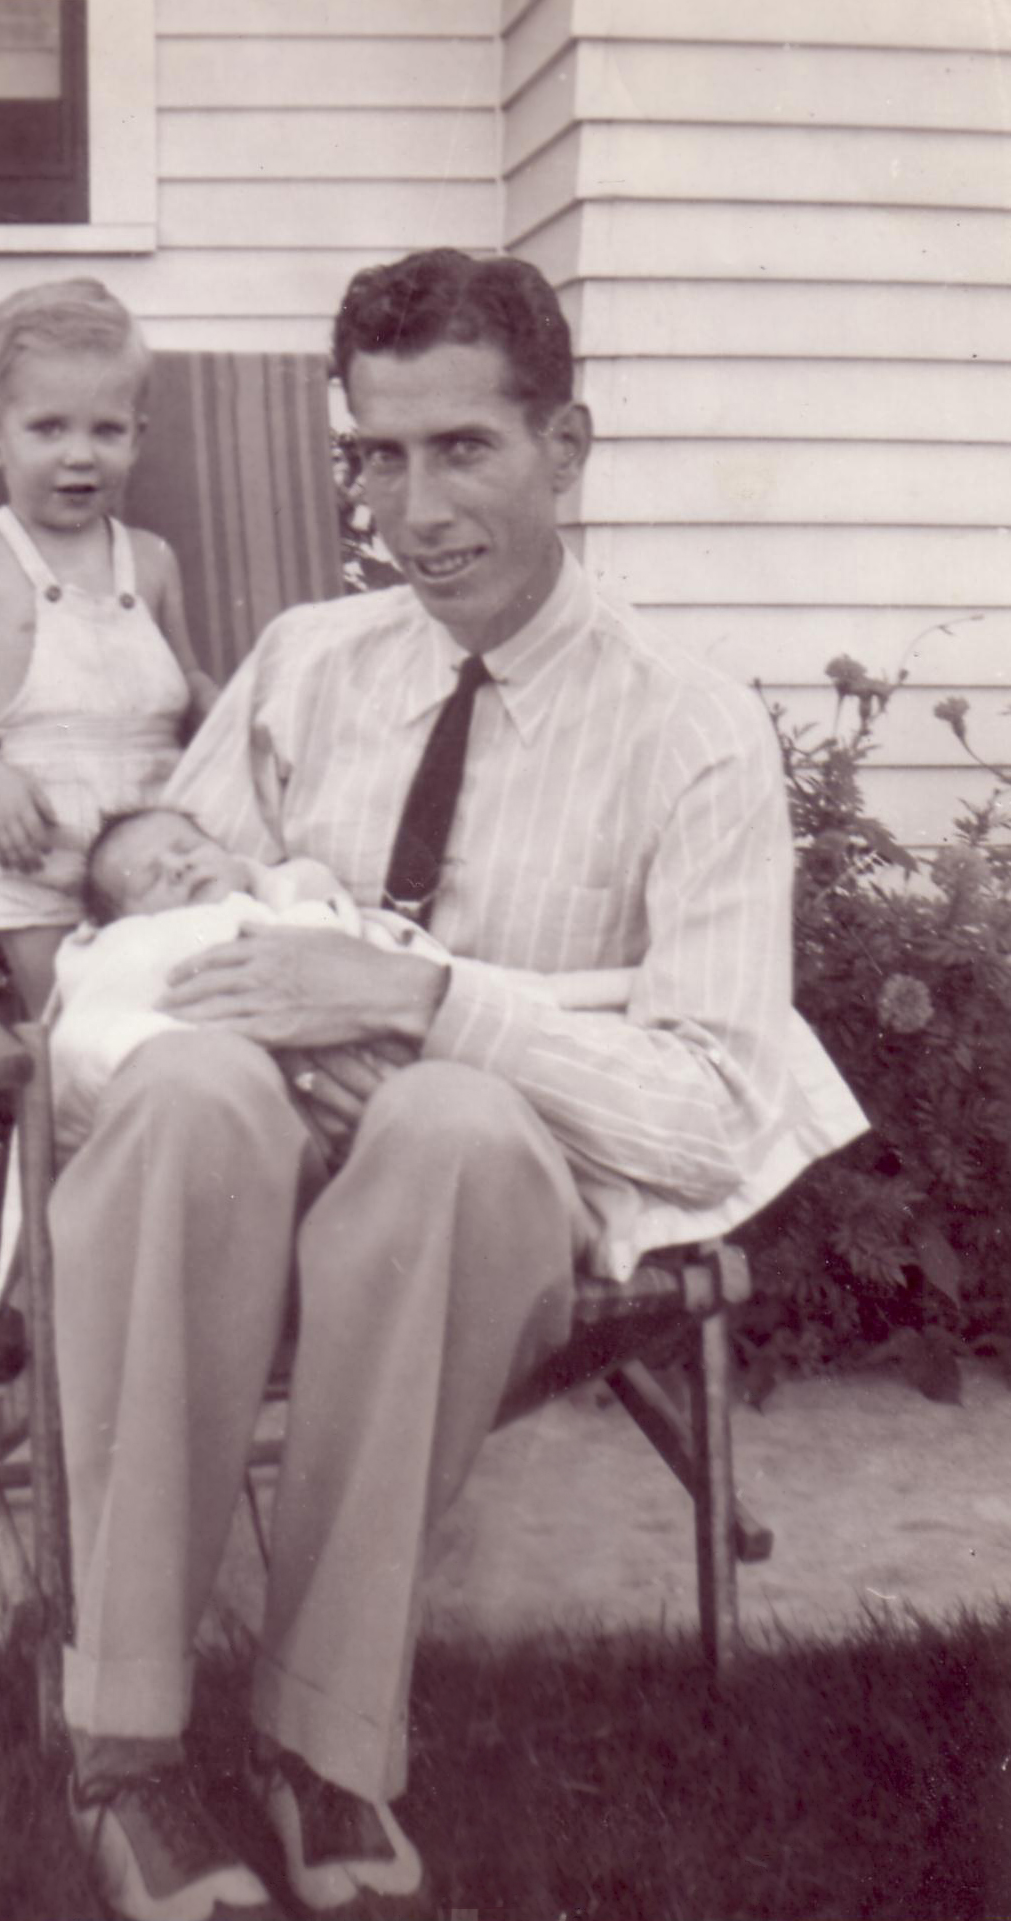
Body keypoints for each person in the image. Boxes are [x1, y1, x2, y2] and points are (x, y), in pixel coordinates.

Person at [52, 249, 866, 1921]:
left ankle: (321, 1736)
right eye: (376, 455)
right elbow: (162, 917)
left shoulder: (692, 732)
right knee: (190, 1094)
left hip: (474, 1196)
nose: (412, 511)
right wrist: (261, 1020)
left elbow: (715, 1109)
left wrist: (426, 1003)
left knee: (449, 1123)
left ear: (565, 447)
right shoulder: (305, 663)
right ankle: (124, 1744)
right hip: (254, 1146)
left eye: (462, 450)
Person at [0, 278, 216, 1017]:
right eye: (48, 429)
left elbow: (187, 674)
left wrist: (220, 706)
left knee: (175, 1010)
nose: (80, 455)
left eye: (106, 430)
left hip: (152, 854)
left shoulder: (151, 559)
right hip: (33, 846)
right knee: (70, 1023)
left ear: (137, 436)